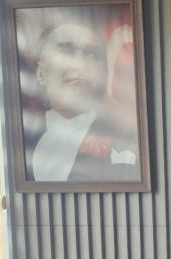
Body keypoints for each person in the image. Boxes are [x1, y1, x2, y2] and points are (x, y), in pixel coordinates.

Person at [26, 19, 139, 182]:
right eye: (65, 51)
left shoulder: (127, 144)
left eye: (92, 54)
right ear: (41, 72)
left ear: (105, 73)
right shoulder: (25, 139)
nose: (80, 65)